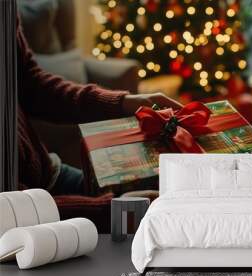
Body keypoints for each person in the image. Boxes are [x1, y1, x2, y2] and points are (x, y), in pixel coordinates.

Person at [16, 18, 182, 195]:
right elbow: (11, 213)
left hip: (50, 174)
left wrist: (124, 103)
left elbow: (29, 84)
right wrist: (112, 208)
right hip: (27, 206)